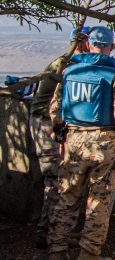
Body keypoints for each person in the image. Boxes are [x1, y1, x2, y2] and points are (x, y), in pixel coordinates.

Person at [47, 26, 115, 260]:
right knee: (98, 199)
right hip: (105, 143)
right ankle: (89, 252)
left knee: (67, 196)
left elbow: (56, 109)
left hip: (74, 139)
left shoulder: (70, 72)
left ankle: (56, 251)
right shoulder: (113, 77)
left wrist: (61, 137)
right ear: (111, 47)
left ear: (88, 45)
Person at [28, 27, 91, 248]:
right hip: (47, 124)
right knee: (55, 180)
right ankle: (47, 232)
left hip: (50, 123)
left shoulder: (68, 62)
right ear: (82, 43)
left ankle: (51, 231)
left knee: (55, 179)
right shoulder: (68, 65)